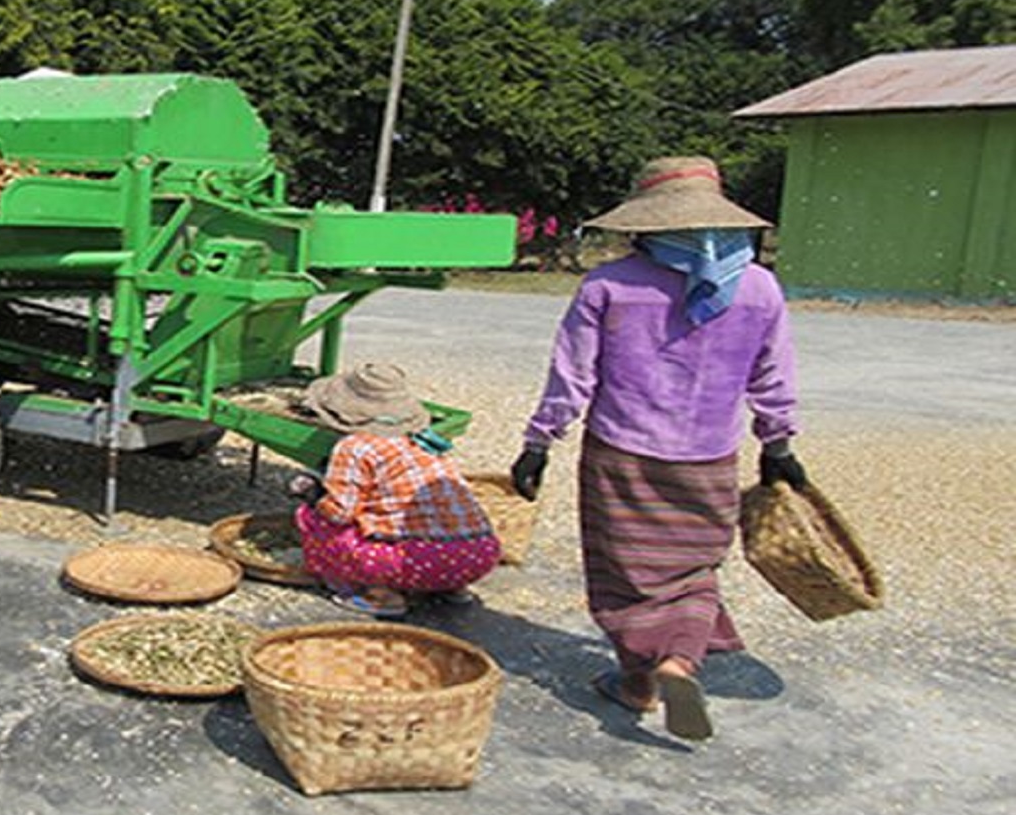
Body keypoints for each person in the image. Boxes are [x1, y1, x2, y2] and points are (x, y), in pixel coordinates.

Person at [511, 155, 809, 742]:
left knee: (626, 572)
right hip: (709, 458)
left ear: (644, 223)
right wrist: (778, 445)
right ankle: (675, 666)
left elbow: (573, 376)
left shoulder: (610, 285)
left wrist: (539, 443)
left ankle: (641, 678)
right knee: (693, 571)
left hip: (623, 454)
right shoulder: (759, 288)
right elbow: (774, 376)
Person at [289, 362, 502, 618]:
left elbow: (339, 513)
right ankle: (453, 590)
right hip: (479, 556)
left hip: (417, 563)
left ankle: (383, 596)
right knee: (428, 529)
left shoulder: (356, 446)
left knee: (312, 518)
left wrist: (311, 493)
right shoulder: (424, 441)